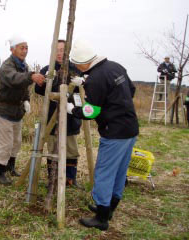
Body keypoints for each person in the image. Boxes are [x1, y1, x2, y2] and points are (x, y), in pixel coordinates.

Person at [67, 39, 139, 231]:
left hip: (114, 132)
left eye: (75, 65)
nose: (75, 67)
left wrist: (72, 109)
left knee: (105, 172)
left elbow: (92, 112)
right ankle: (108, 208)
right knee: (119, 171)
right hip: (130, 127)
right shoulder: (115, 67)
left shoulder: (96, 79)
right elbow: (131, 90)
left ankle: (101, 218)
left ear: (82, 63)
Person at [0, 35, 45, 185]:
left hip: (17, 111)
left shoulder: (24, 65)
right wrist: (31, 76)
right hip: (4, 110)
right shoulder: (7, 66)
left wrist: (27, 100)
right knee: (5, 144)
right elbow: (16, 79)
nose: (25, 51)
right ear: (12, 49)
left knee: (16, 142)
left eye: (26, 48)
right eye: (22, 48)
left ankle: (11, 167)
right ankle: (0, 173)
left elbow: (24, 86)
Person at [35, 39, 82, 187]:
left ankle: (70, 179)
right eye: (57, 50)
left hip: (71, 115)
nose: (60, 53)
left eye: (63, 50)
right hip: (52, 117)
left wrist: (81, 83)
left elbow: (84, 89)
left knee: (71, 149)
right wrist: (48, 81)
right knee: (53, 148)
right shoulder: (47, 69)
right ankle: (53, 179)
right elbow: (38, 90)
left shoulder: (76, 69)